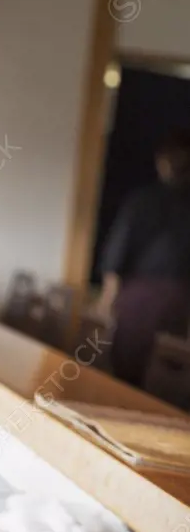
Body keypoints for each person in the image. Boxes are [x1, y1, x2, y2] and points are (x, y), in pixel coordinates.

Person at [94, 130, 190, 388]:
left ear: (163, 163)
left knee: (128, 369)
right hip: (180, 302)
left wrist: (106, 299)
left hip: (141, 298)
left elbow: (117, 253)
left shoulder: (142, 201)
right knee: (166, 374)